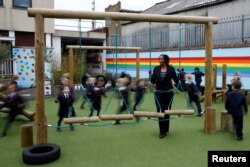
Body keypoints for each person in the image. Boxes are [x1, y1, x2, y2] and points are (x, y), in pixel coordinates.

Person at [150, 54, 179, 139]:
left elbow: (176, 80)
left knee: (167, 110)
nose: (160, 60)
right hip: (158, 92)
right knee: (160, 110)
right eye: (159, 59)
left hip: (168, 92)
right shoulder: (156, 68)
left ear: (166, 60)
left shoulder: (171, 69)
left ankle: (166, 129)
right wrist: (152, 75)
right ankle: (161, 131)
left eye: (161, 59)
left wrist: (179, 75)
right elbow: (152, 81)